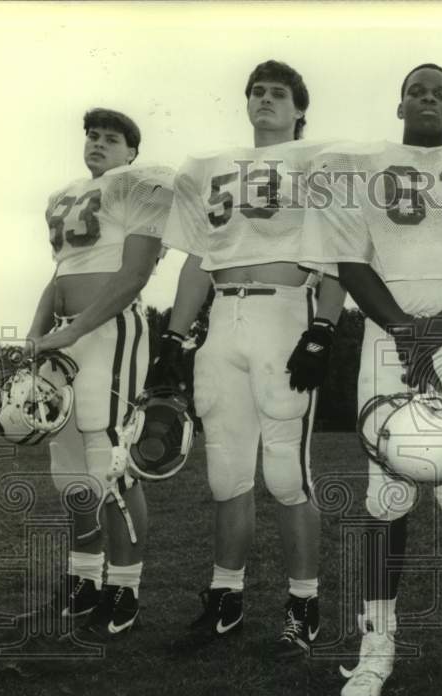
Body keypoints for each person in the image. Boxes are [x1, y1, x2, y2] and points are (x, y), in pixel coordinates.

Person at [303, 63, 442, 696]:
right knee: (389, 495)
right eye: (418, 91)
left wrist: (435, 330)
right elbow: (351, 262)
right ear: (399, 103)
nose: (429, 99)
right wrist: (405, 330)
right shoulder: (361, 166)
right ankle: (378, 645)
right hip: (386, 330)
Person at [153, 59, 345, 655]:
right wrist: (172, 338)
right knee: (226, 475)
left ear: (298, 110)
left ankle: (303, 602)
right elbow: (195, 261)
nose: (265, 99)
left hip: (283, 311)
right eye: (256, 91)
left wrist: (323, 330)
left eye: (278, 93)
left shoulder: (318, 163)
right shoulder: (211, 167)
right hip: (222, 320)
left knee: (286, 475)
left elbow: (341, 258)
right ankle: (226, 598)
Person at [22, 108, 175, 637]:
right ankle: (85, 576)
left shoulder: (142, 184)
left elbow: (134, 275)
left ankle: (125, 585)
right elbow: (60, 272)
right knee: (68, 475)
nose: (98, 143)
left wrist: (73, 330)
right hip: (63, 335)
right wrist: (39, 333)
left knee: (112, 464)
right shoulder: (64, 195)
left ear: (132, 151)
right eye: (92, 135)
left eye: (112, 138)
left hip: (110, 333)